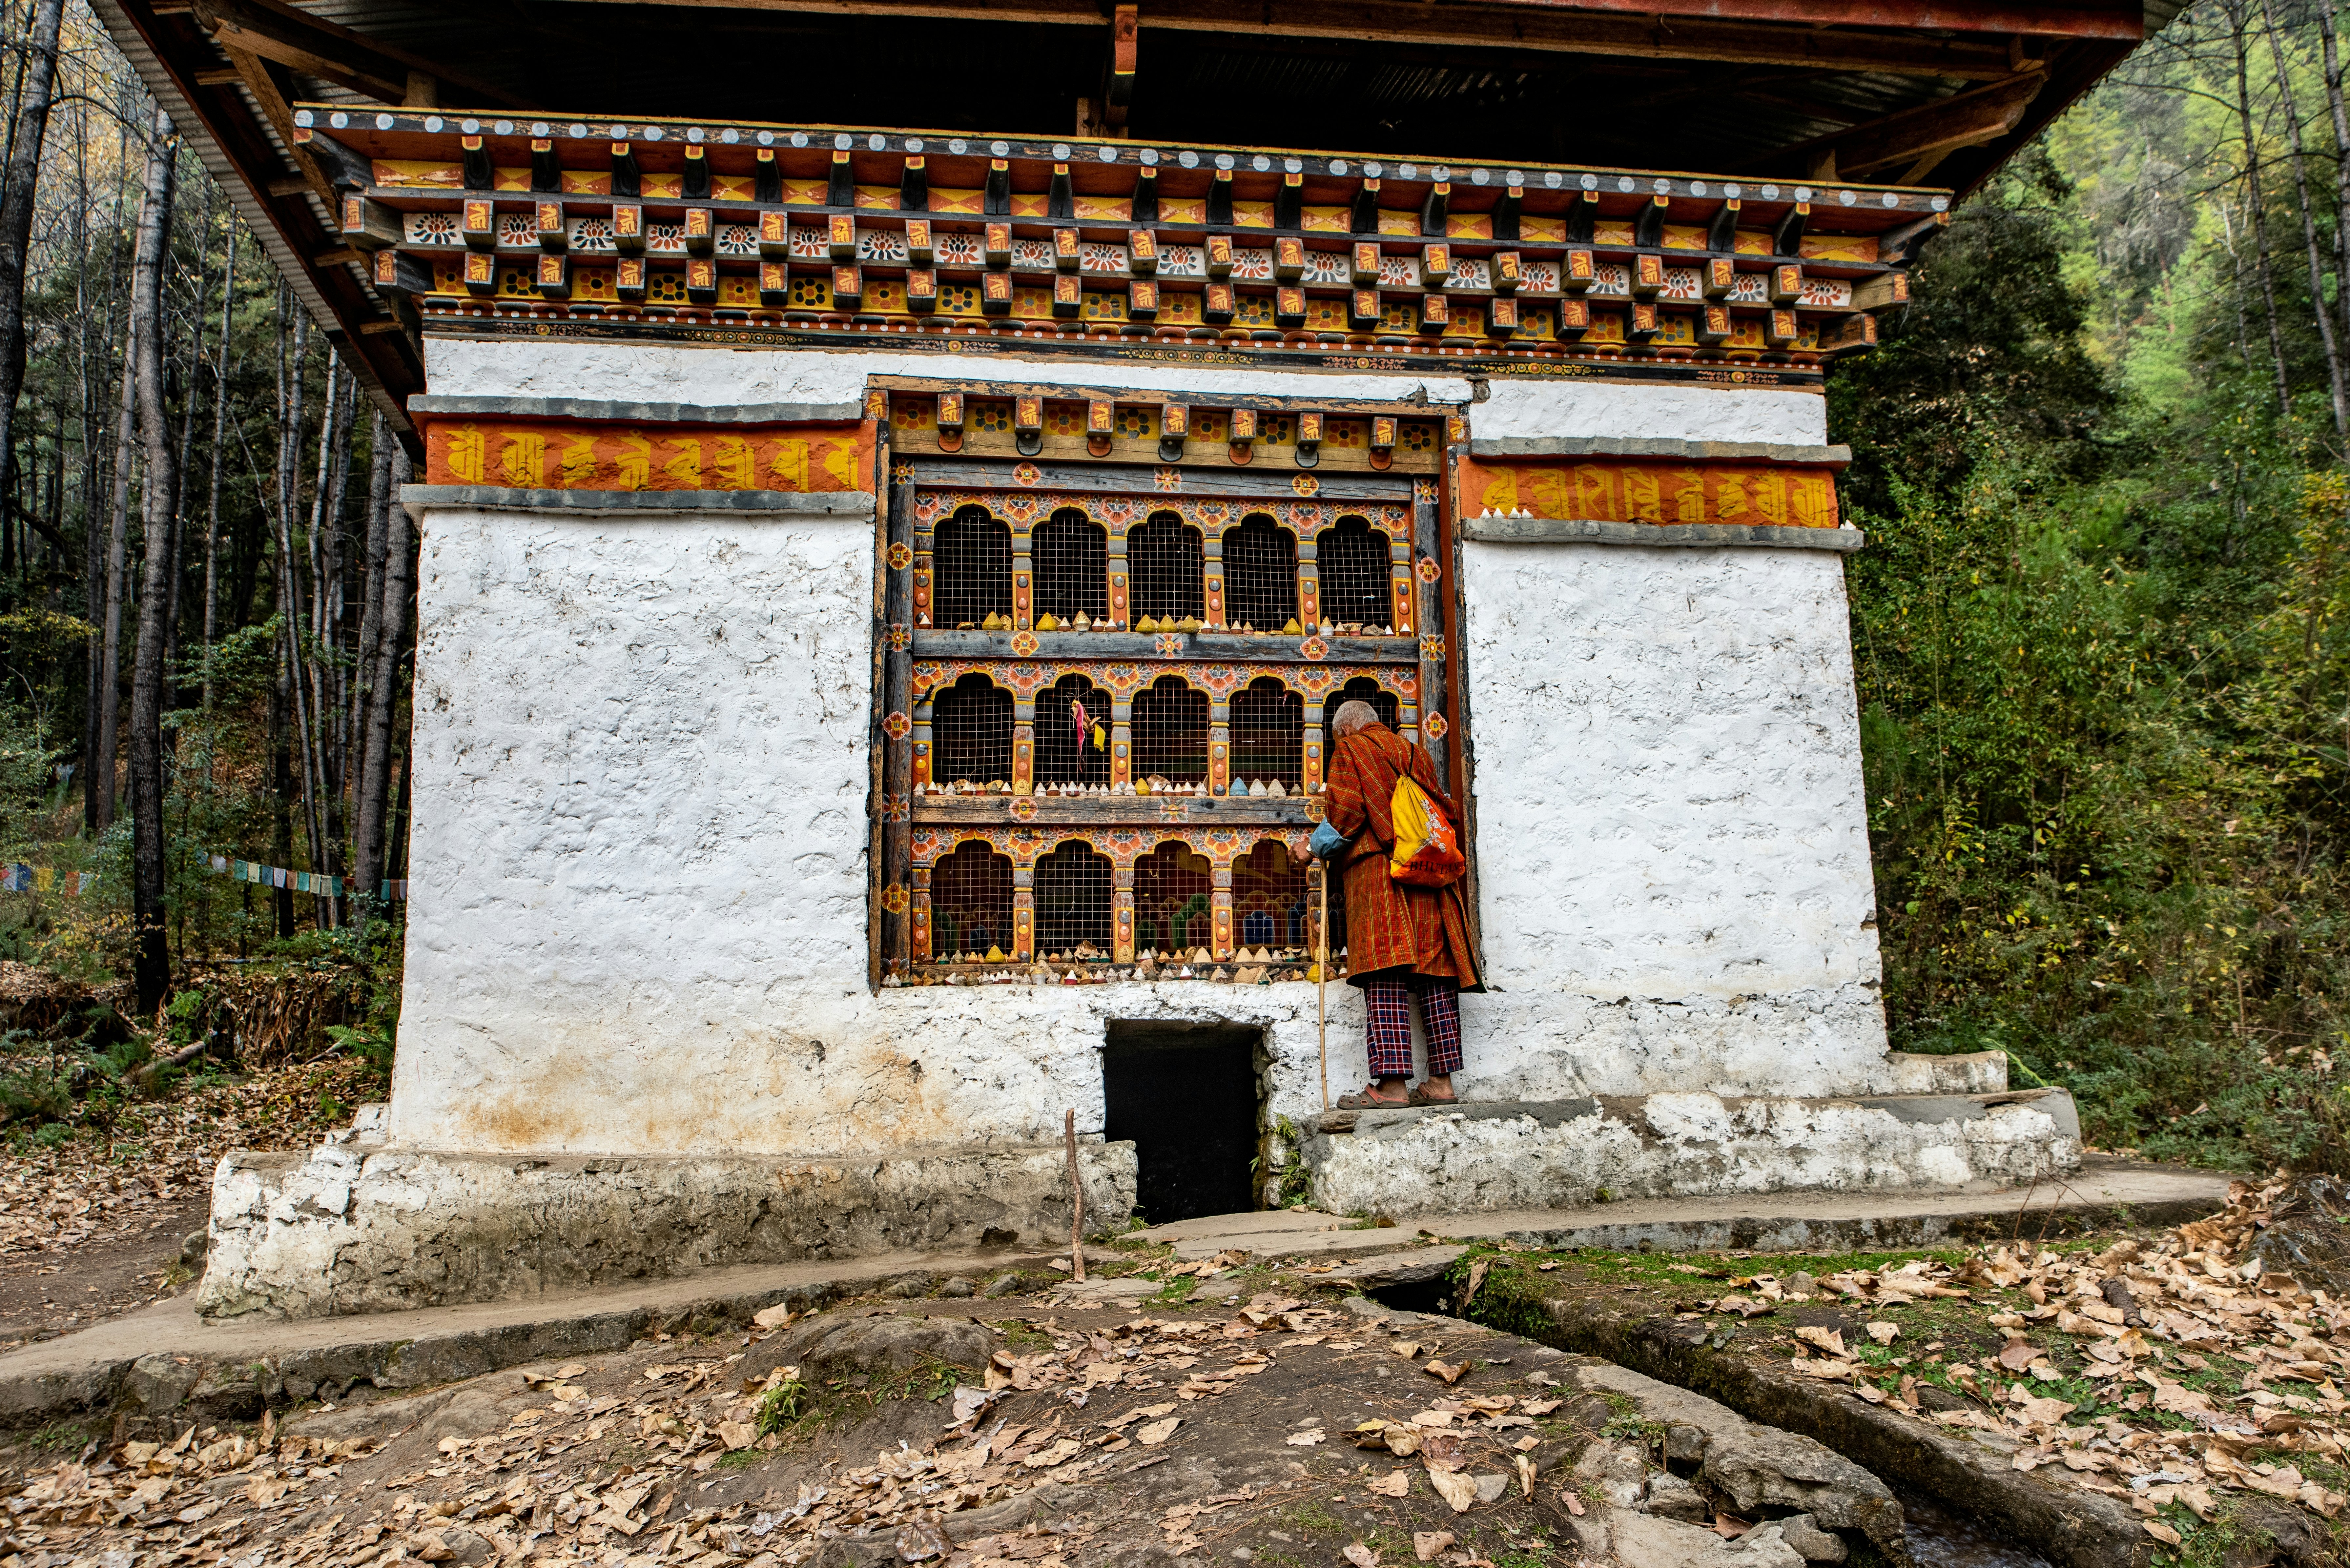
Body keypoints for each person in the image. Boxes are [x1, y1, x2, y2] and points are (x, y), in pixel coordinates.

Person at [1304, 700, 1481, 1107]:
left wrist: (1311, 847)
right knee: (1436, 975)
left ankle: (1392, 1087)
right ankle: (1441, 1083)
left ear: (1345, 730)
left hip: (1381, 876)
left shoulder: (1352, 749)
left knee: (1385, 971)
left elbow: (1346, 815)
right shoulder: (1416, 753)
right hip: (1427, 870)